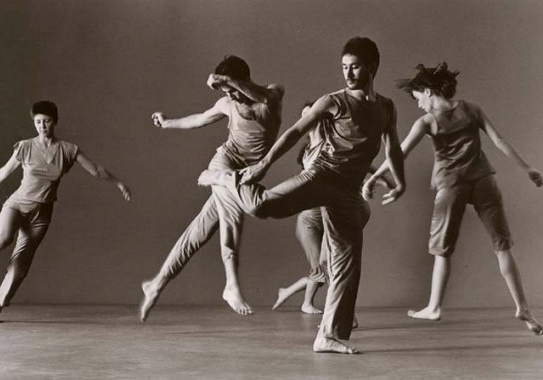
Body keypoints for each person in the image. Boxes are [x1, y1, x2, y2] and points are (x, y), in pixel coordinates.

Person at [198, 37, 405, 354]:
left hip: (348, 191)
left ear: (373, 66)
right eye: (344, 68)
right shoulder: (333, 101)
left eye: (355, 67)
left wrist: (399, 182)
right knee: (264, 205)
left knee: (347, 266)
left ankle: (328, 336)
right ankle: (223, 177)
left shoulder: (386, 107)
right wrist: (263, 165)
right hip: (323, 175)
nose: (348, 74)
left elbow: (392, 146)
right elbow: (295, 131)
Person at [363, 62, 543, 335]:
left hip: (452, 186)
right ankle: (523, 307)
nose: (419, 105)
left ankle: (434, 307)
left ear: (427, 90)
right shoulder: (471, 108)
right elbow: (500, 141)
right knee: (502, 246)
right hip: (484, 181)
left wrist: (374, 177)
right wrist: (528, 168)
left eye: (418, 98)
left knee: (441, 250)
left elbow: (399, 152)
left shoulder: (427, 121)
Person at [140, 56, 284, 321]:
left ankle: (158, 282)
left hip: (244, 174)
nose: (232, 96)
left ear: (244, 82)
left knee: (199, 231)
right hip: (225, 163)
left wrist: (229, 81)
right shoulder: (227, 103)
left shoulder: (272, 94)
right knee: (233, 214)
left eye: (233, 90)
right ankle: (231, 284)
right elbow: (199, 119)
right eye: (227, 92)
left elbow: (263, 97)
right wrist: (167, 122)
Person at [0, 100, 131, 323]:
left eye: (47, 121)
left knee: (21, 265)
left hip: (41, 216)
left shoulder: (68, 150)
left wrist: (119, 183)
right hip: (17, 205)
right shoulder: (25, 146)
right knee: (4, 238)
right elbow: (6, 169)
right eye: (38, 122)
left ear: (55, 122)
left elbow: (96, 170)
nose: (42, 126)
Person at [272, 103, 395, 317]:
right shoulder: (307, 152)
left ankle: (337, 312)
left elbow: (364, 163)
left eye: (313, 114)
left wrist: (383, 181)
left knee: (329, 264)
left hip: (335, 214)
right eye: (304, 115)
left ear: (323, 118)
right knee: (322, 268)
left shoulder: (335, 147)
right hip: (310, 220)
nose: (308, 118)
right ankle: (325, 308)